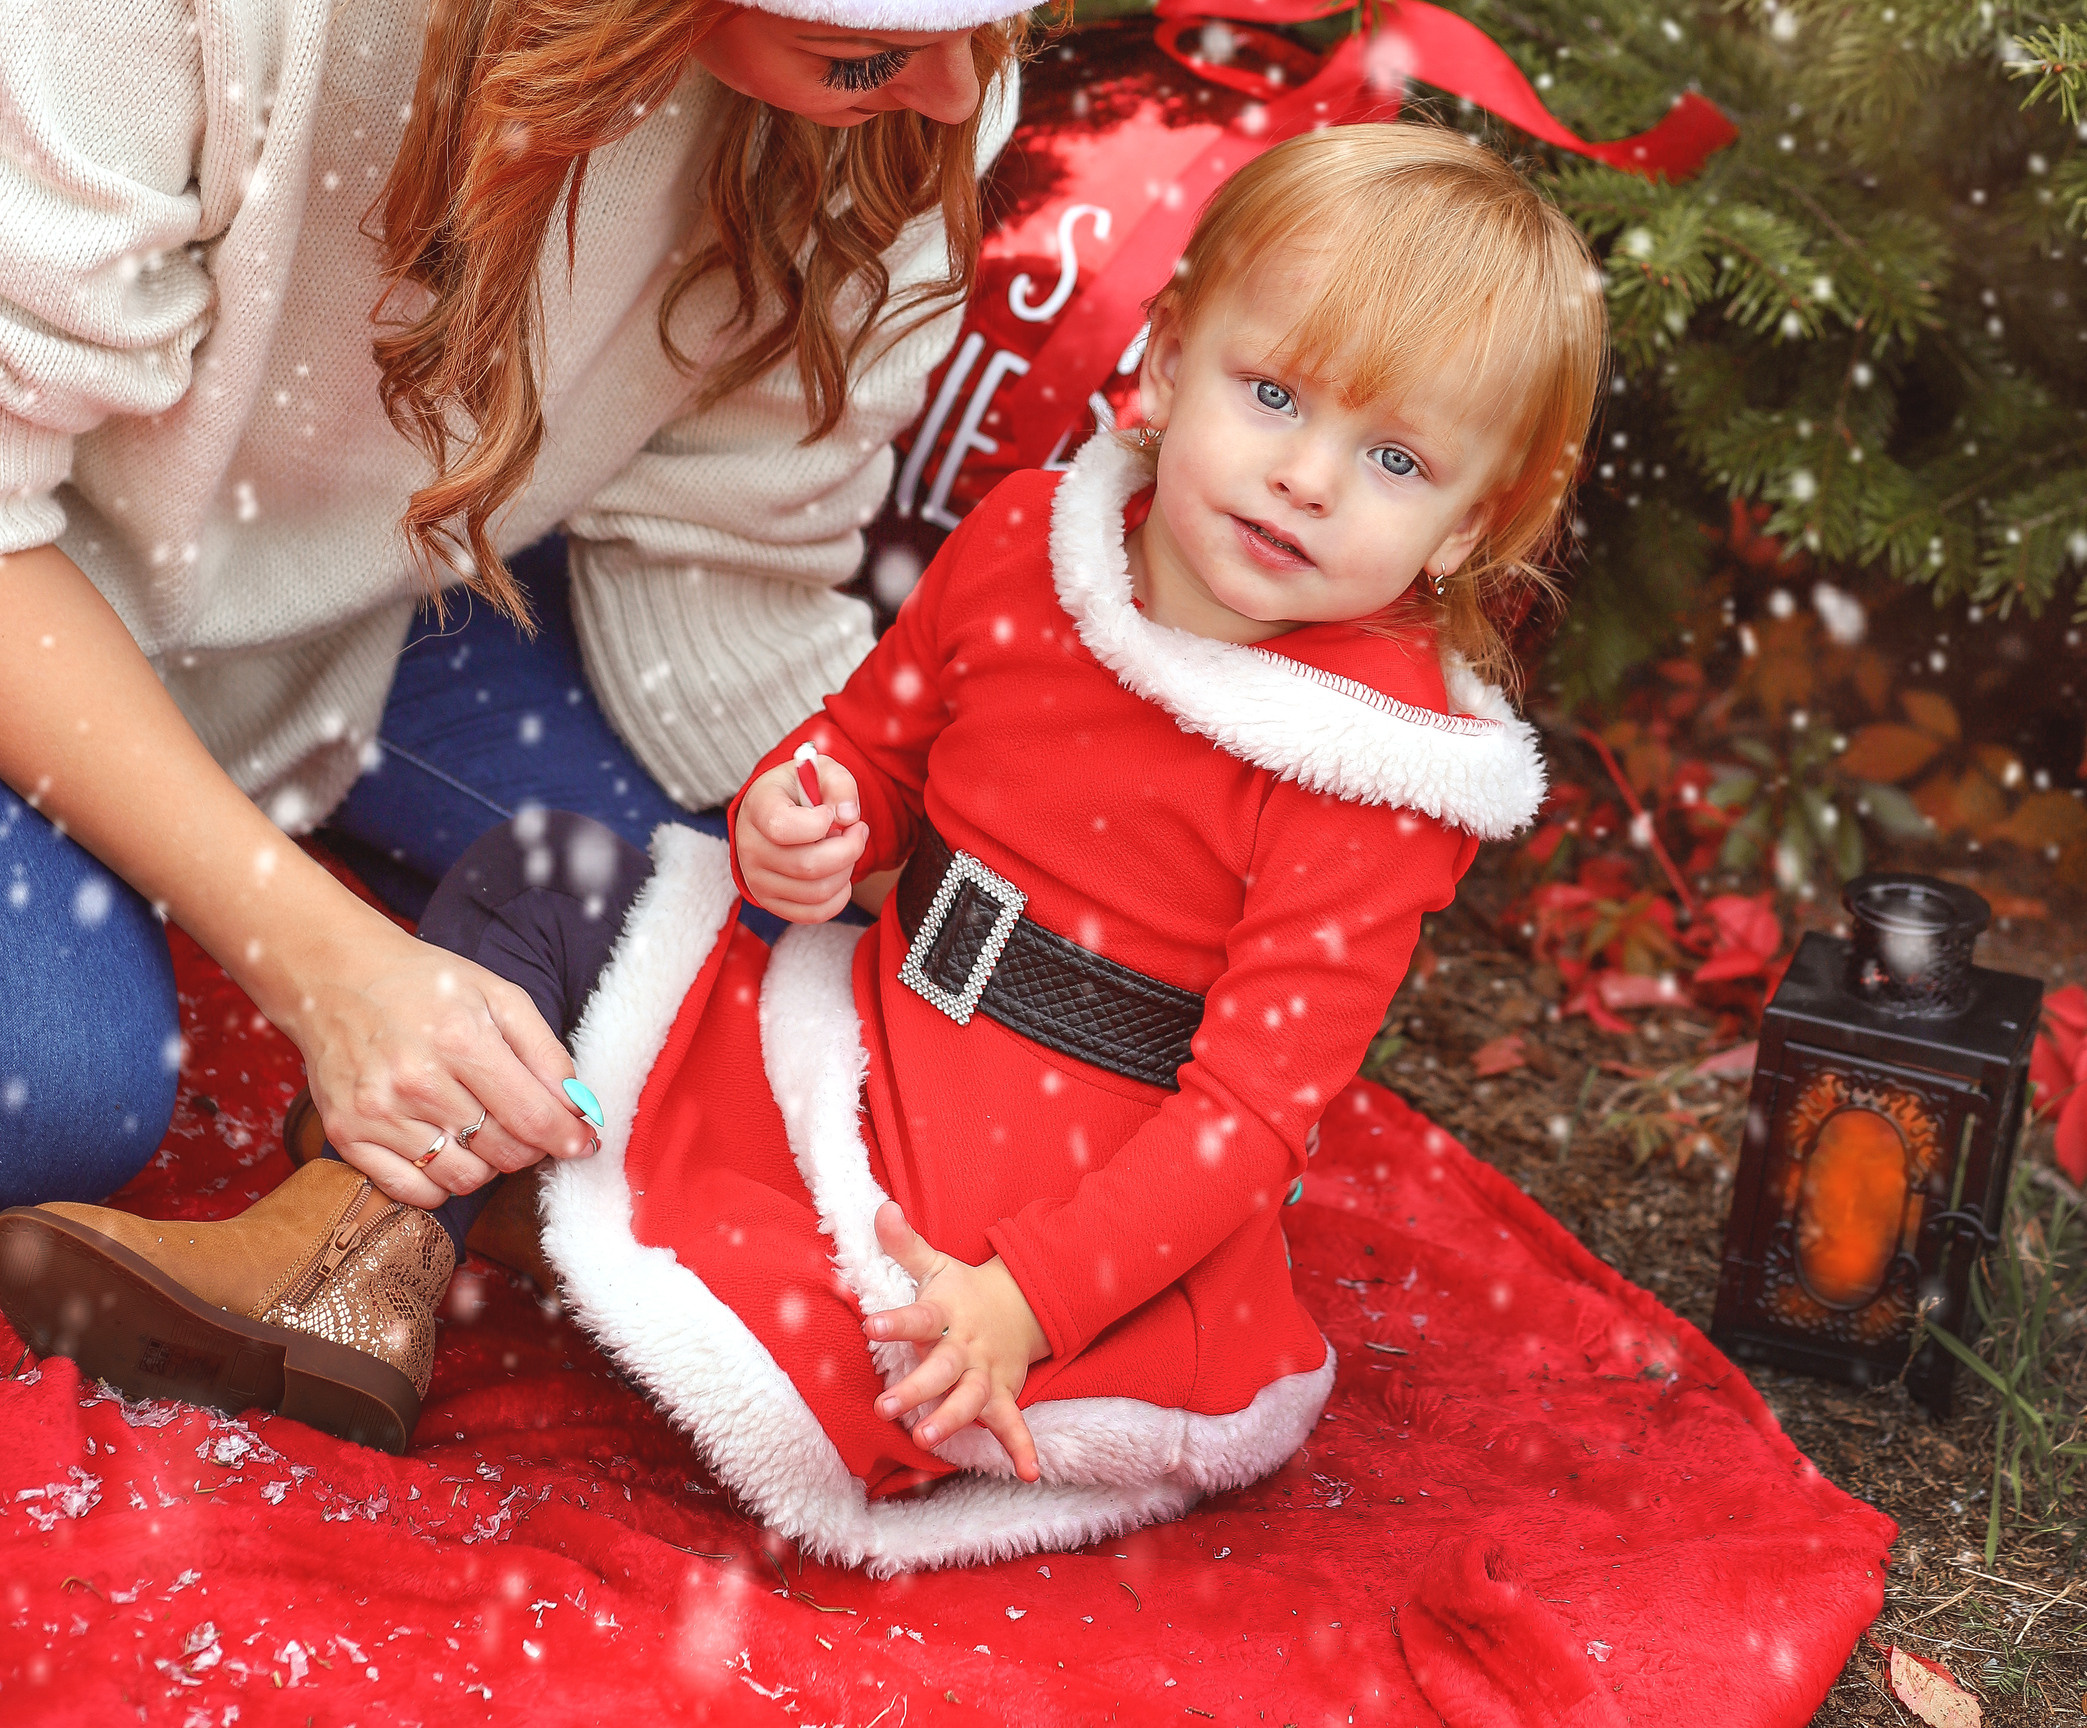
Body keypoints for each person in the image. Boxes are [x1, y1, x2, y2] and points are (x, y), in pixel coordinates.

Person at [3, 121, 1607, 1566]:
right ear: (1169, 361)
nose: (1307, 478)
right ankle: (351, 1252)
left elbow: (1251, 1120)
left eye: (1396, 461)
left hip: (1041, 1174)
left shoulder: (1365, 777)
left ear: (1470, 524)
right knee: (558, 873)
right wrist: (809, 818)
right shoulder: (1032, 549)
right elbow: (877, 751)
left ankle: (658, 1262)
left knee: (877, 1348)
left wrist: (1029, 1295)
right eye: (1274, 395)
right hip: (878, 1019)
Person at [0, 0, 1164, 1271]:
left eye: (993, 16)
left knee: (703, 960)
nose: (958, 100)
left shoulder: (927, 7)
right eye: (870, 49)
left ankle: (336, 1243)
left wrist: (872, 843)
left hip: (340, 620)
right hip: (29, 572)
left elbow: (729, 540)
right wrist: (318, 955)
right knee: (59, 1086)